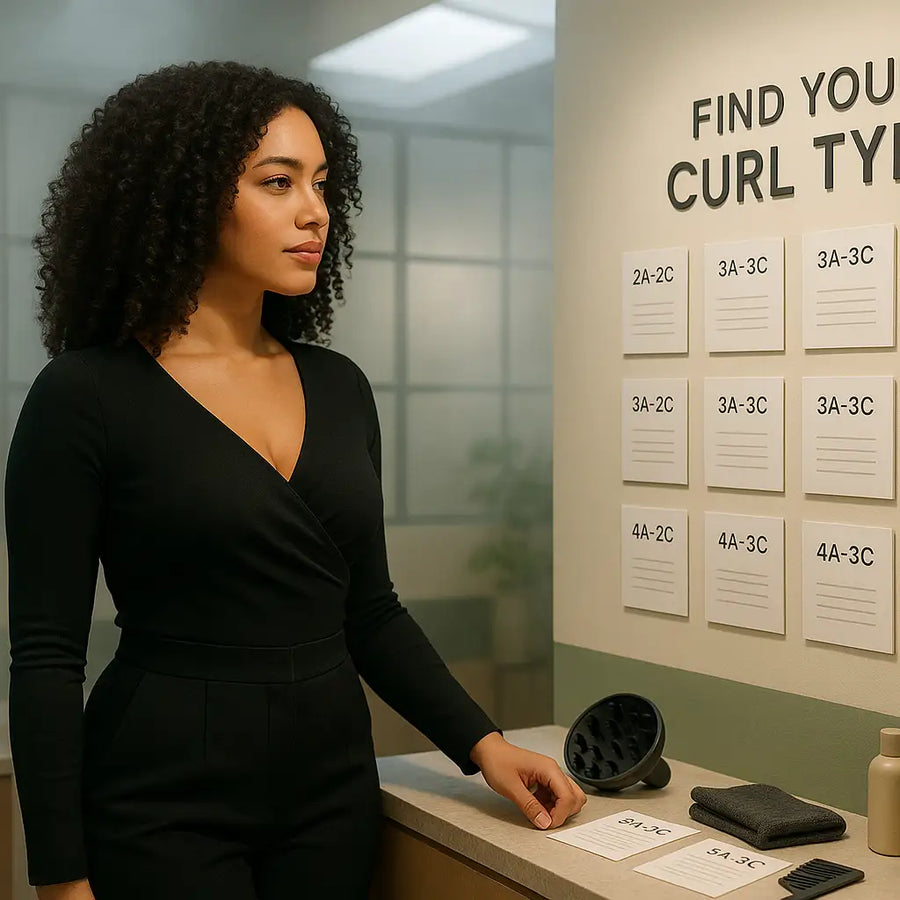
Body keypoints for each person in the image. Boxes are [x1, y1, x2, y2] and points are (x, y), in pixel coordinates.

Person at [4, 60, 586, 900]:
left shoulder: (339, 385)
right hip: (158, 793)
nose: (315, 209)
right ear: (186, 195)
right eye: (277, 182)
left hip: (330, 788)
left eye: (321, 182)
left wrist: (484, 745)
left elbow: (370, 609)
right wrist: (61, 879)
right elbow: (47, 658)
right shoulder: (85, 395)